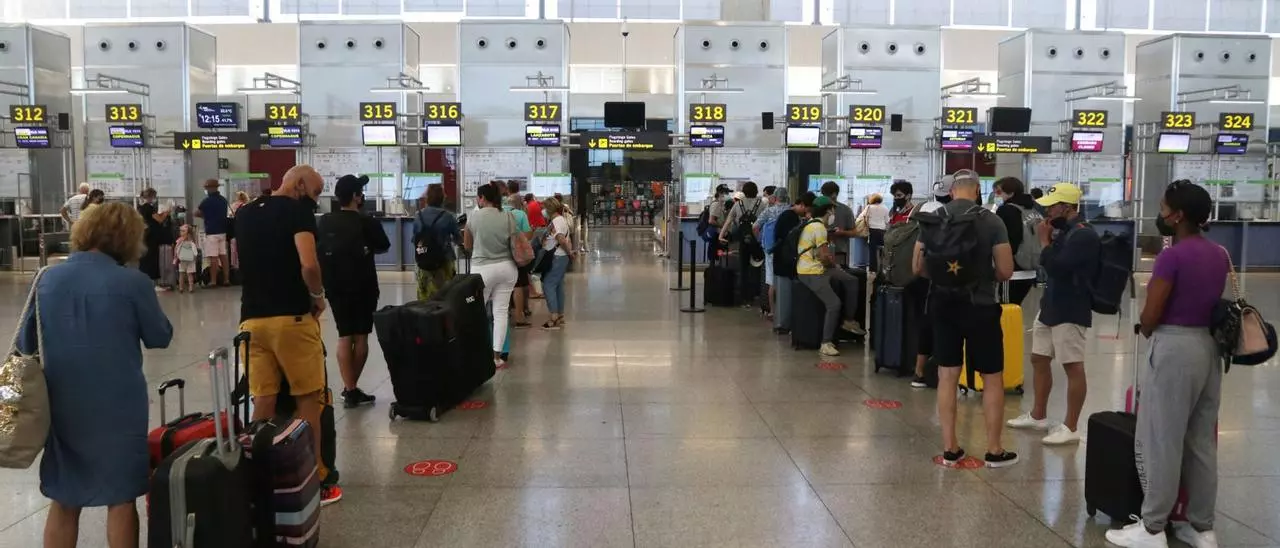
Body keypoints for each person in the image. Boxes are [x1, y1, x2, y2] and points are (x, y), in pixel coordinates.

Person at [21, 202, 173, 548]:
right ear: (129, 238)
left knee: (64, 498)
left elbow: (25, 344)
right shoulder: (133, 282)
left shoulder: (46, 278)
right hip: (119, 406)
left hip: (61, 403)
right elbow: (159, 337)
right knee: (121, 497)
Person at [1106, 181, 1228, 548]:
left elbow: (1153, 312)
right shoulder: (1219, 253)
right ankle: (1202, 528)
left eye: (1163, 208)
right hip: (1209, 347)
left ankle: (1153, 527)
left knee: (1163, 439)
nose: (1160, 214)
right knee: (1201, 441)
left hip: (1174, 346)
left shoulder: (1171, 257)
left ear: (1178, 216)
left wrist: (1144, 325)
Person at [235, 164, 342, 505]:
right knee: (308, 400)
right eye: (315, 192)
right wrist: (318, 295)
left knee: (263, 400)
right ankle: (317, 478)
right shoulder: (298, 212)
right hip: (292, 319)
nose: (315, 200)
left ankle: (257, 479)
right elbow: (308, 264)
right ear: (298, 184)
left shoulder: (245, 213)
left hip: (251, 322)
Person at [912, 169, 1018, 468]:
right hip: (981, 306)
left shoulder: (933, 219)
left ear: (951, 191)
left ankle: (950, 448)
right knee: (992, 377)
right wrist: (983, 277)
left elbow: (917, 267)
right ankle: (994, 450)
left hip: (943, 305)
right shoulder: (991, 221)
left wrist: (944, 279)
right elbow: (1006, 270)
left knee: (947, 375)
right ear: (977, 190)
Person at [1006, 183, 1098, 446]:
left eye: (1052, 206)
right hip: (1051, 305)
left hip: (1071, 308)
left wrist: (1045, 241)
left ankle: (1071, 426)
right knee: (1039, 357)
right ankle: (1038, 415)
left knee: (1072, 365)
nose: (1047, 210)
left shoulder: (1083, 235)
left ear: (1066, 207)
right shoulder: (1065, 232)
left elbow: (1058, 268)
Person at [318, 174, 391, 408]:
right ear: (356, 197)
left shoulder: (325, 221)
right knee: (361, 337)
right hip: (364, 284)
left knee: (344, 335)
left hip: (335, 285)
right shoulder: (366, 222)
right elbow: (384, 246)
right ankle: (351, 389)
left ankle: (350, 389)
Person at [797, 195, 868, 357]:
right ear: (828, 211)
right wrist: (833, 265)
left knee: (851, 280)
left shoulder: (812, 224)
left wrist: (832, 266)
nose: (833, 214)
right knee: (834, 304)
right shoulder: (819, 228)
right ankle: (826, 343)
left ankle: (849, 320)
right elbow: (823, 256)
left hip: (817, 267)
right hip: (811, 271)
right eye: (832, 210)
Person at [465, 183, 519, 368]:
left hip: (482, 270)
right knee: (501, 312)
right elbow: (514, 242)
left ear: (482, 198)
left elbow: (467, 245)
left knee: (476, 312)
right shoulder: (508, 216)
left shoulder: (474, 216)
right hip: (507, 268)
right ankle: (497, 357)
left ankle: (476, 354)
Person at [909, 177, 951, 388]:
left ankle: (919, 372)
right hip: (949, 282)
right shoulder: (958, 216)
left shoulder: (923, 208)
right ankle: (945, 373)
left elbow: (917, 266)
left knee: (926, 323)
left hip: (925, 280)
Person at [992, 177, 1041, 305]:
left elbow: (1007, 242)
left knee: (1006, 310)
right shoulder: (1033, 209)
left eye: (998, 192)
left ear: (1011, 193)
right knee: (1016, 308)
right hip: (1031, 271)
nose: (996, 195)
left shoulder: (1006, 210)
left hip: (1012, 272)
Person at [414, 183, 462, 301]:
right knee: (446, 294)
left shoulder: (418, 216)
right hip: (444, 260)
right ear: (442, 198)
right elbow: (458, 238)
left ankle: (425, 311)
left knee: (424, 294)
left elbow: (414, 238)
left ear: (427, 198)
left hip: (423, 258)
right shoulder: (448, 216)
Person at [769, 193, 808, 335]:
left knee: (783, 292)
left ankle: (782, 323)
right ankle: (783, 324)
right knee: (784, 293)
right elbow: (790, 240)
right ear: (801, 205)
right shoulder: (789, 217)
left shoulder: (789, 216)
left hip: (782, 259)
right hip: (784, 261)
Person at [754, 187, 791, 321]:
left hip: (770, 249)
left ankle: (772, 312)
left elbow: (755, 226)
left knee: (771, 280)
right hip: (787, 249)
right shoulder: (791, 211)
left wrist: (759, 240)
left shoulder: (769, 211)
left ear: (775, 198)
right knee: (786, 278)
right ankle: (786, 311)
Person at [539, 196, 573, 330]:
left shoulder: (557, 221)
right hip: (560, 257)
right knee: (558, 286)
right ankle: (560, 315)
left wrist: (569, 252)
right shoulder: (559, 219)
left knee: (548, 285)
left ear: (549, 209)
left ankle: (553, 317)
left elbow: (561, 239)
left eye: (544, 208)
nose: (543, 211)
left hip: (557, 256)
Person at [505, 193, 535, 328]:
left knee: (504, 286)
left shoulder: (500, 213)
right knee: (519, 284)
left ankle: (506, 311)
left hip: (501, 255)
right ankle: (520, 314)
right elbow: (527, 235)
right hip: (517, 256)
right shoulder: (520, 214)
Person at [194, 179, 231, 287]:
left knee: (213, 257)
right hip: (222, 231)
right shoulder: (223, 200)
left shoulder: (207, 201)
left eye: (206, 188)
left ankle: (213, 281)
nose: (206, 190)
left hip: (212, 232)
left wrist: (206, 216)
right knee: (223, 255)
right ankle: (226, 280)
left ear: (210, 188)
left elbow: (196, 213)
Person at [136, 188, 173, 289]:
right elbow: (159, 219)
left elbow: (154, 217)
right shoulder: (148, 207)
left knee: (146, 258)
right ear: (151, 196)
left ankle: (147, 282)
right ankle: (152, 282)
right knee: (151, 259)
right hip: (151, 237)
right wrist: (167, 212)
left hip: (146, 236)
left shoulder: (141, 208)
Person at [818, 182, 856, 267]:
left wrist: (842, 232)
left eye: (827, 195)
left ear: (835, 195)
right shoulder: (818, 209)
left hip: (840, 254)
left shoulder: (846, 210)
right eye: (824, 195)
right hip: (820, 254)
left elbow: (854, 232)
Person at [859, 193, 890, 273]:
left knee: (872, 251)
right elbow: (887, 221)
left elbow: (861, 217)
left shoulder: (869, 207)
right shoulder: (885, 208)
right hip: (882, 231)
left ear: (872, 199)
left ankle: (873, 269)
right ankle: (883, 268)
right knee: (883, 251)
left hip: (872, 231)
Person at [173, 224, 199, 293]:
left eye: (183, 231)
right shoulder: (181, 241)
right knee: (182, 274)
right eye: (181, 231)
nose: (181, 233)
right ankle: (182, 287)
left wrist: (176, 256)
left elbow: (177, 249)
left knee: (187, 274)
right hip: (184, 260)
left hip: (188, 260)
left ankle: (189, 287)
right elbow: (177, 249)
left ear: (188, 233)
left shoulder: (190, 242)